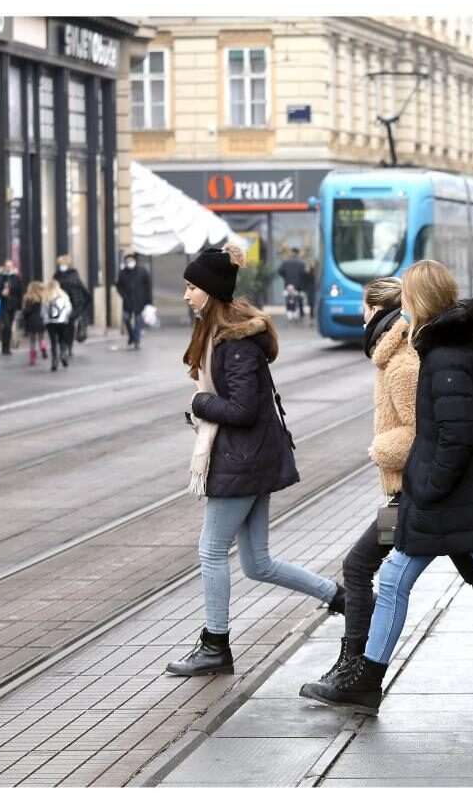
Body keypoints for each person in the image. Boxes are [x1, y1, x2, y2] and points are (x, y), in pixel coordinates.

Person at [300, 260, 473, 717]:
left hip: (453, 497)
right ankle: (370, 680)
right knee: (402, 579)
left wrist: (425, 484)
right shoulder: (447, 346)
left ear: (421, 300)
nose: (403, 308)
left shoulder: (447, 355)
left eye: (408, 298)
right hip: (464, 494)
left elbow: (454, 436)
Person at [166, 240, 345, 676]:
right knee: (257, 563)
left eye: (192, 287)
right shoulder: (219, 337)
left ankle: (215, 646)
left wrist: (202, 405)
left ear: (209, 291)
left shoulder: (236, 344)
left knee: (210, 552)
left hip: (242, 461)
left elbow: (243, 411)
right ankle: (343, 598)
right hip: (250, 458)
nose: (187, 294)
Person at [55, 255, 91, 363]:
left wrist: (82, 307)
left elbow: (84, 292)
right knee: (61, 327)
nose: (61, 266)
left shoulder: (74, 276)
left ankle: (66, 346)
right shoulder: (57, 276)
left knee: (68, 326)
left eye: (63, 264)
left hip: (73, 306)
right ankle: (65, 345)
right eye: (60, 264)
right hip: (60, 305)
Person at [117, 252, 152, 350]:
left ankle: (136, 339)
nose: (129, 263)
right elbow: (119, 286)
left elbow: (147, 286)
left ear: (135, 261)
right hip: (127, 301)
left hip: (140, 300)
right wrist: (123, 296)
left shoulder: (142, 271)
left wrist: (148, 301)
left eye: (131, 261)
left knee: (138, 320)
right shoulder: (122, 273)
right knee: (126, 318)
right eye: (127, 261)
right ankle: (131, 335)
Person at [0, 259, 23, 357]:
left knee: (9, 326)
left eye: (10, 266)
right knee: (7, 325)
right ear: (4, 267)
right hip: (3, 305)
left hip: (12, 305)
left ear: (12, 267)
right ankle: (5, 347)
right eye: (6, 266)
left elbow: (20, 292)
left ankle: (7, 347)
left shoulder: (16, 278)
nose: (8, 268)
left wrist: (19, 305)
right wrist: (1, 292)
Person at [43, 278, 74, 373]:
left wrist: (45, 320)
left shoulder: (46, 297)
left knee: (53, 341)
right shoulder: (64, 296)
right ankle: (63, 354)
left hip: (50, 322)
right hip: (62, 321)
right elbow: (69, 309)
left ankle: (54, 360)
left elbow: (43, 312)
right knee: (62, 340)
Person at [20, 278, 47, 366]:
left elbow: (27, 311)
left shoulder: (29, 299)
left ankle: (33, 358)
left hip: (31, 321)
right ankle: (43, 346)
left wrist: (24, 315)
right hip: (41, 320)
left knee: (32, 340)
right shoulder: (42, 298)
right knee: (41, 337)